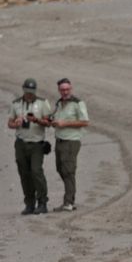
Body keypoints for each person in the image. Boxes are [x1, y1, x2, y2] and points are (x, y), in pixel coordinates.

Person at [9, 78, 51, 215]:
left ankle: (42, 202)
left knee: (36, 171)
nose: (29, 94)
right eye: (27, 91)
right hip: (21, 143)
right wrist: (16, 123)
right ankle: (29, 203)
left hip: (37, 143)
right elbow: (9, 123)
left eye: (31, 91)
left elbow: (49, 122)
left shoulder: (43, 103)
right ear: (23, 90)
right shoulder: (16, 103)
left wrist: (36, 120)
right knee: (24, 174)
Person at [49, 77, 88, 212]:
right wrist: (53, 121)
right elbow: (55, 119)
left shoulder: (78, 103)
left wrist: (64, 124)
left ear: (71, 88)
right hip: (59, 140)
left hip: (71, 141)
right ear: (59, 90)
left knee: (68, 171)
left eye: (67, 89)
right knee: (60, 169)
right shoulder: (59, 103)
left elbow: (84, 122)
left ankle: (69, 202)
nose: (65, 92)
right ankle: (69, 199)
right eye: (62, 89)